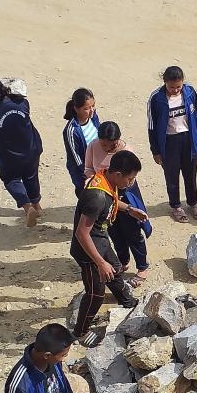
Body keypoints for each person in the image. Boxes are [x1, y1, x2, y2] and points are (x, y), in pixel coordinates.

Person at [71, 150, 146, 346]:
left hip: (100, 239)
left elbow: (111, 200)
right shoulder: (95, 197)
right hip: (87, 250)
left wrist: (129, 209)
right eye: (130, 179)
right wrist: (100, 262)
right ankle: (80, 332)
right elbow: (81, 233)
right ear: (118, 174)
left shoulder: (106, 180)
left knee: (116, 270)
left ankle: (127, 302)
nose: (131, 183)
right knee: (96, 293)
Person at [85, 121, 152, 288]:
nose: (107, 148)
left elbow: (131, 179)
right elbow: (88, 168)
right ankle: (123, 260)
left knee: (133, 232)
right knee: (114, 232)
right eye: (104, 145)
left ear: (118, 140)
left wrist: (121, 191)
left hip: (125, 193)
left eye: (112, 145)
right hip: (104, 192)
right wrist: (93, 181)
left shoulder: (126, 152)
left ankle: (142, 267)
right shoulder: (93, 146)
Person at [147, 66, 197, 222]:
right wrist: (155, 150)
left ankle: (193, 203)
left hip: (189, 139)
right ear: (165, 82)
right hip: (169, 142)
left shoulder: (190, 92)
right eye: (171, 87)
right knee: (172, 176)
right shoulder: (156, 98)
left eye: (178, 87)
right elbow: (152, 126)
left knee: (190, 174)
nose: (175, 90)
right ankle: (175, 206)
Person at [0, 77, 44, 227]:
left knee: (11, 180)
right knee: (31, 177)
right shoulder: (22, 103)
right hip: (31, 150)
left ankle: (27, 207)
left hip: (9, 157)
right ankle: (38, 207)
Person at [62, 87, 99, 195]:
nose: (91, 110)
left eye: (93, 106)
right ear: (76, 109)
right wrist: (91, 175)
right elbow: (77, 159)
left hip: (97, 164)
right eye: (87, 108)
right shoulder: (71, 130)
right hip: (83, 171)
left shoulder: (93, 116)